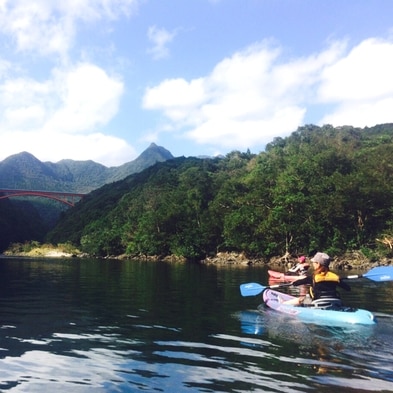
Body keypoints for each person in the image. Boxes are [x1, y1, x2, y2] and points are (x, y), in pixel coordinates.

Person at [283, 252, 350, 306]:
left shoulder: (313, 277)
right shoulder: (335, 277)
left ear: (318, 264)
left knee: (301, 299)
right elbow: (348, 288)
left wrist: (293, 283)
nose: (313, 264)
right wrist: (339, 281)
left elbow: (298, 282)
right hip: (334, 301)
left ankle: (283, 304)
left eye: (314, 262)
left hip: (318, 301)